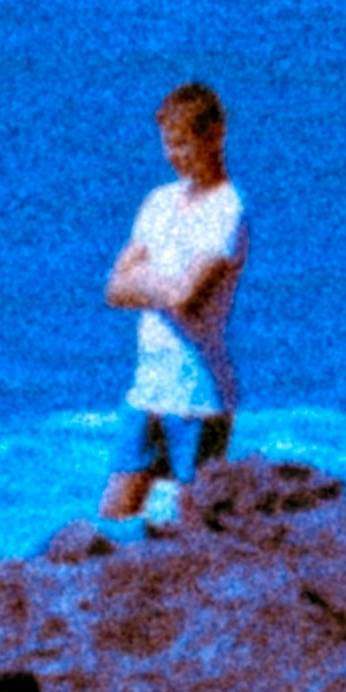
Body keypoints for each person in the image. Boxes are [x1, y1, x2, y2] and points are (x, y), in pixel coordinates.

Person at [98, 81, 247, 529]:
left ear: (215, 135)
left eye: (184, 143)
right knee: (113, 515)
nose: (175, 155)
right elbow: (114, 288)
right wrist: (161, 285)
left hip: (197, 396)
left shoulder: (228, 209)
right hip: (147, 388)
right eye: (169, 144)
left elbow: (190, 297)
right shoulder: (158, 202)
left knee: (193, 525)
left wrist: (144, 280)